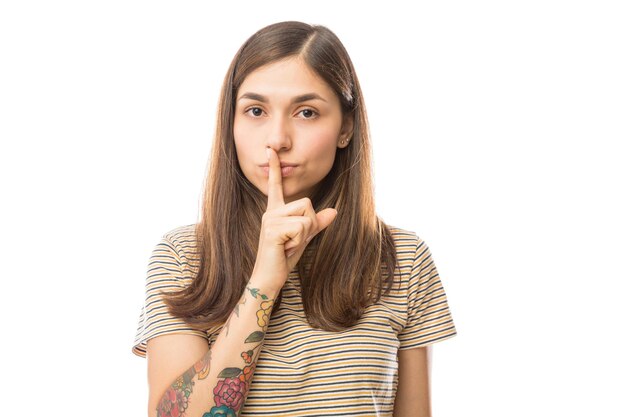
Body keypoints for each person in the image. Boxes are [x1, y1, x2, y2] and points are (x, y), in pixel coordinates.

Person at [132, 20, 457, 417]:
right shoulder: (183, 255)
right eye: (255, 110)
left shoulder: (402, 257)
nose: (277, 138)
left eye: (306, 112)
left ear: (346, 127)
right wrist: (265, 281)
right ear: (230, 123)